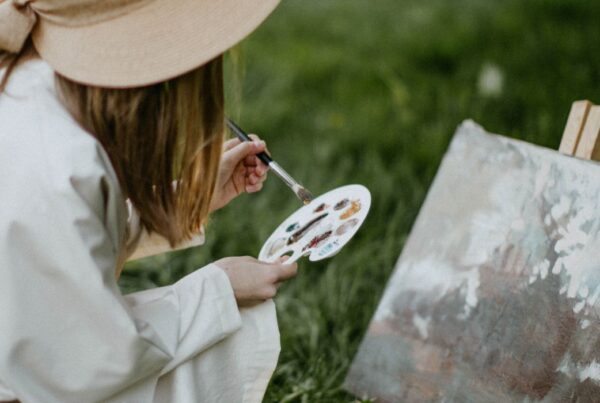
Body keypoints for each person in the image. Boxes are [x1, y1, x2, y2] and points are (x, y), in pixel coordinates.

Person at [0, 0, 298, 402]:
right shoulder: (60, 157)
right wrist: (220, 290)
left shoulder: (30, 92)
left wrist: (182, 202)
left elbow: (57, 251)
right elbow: (82, 362)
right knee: (231, 329)